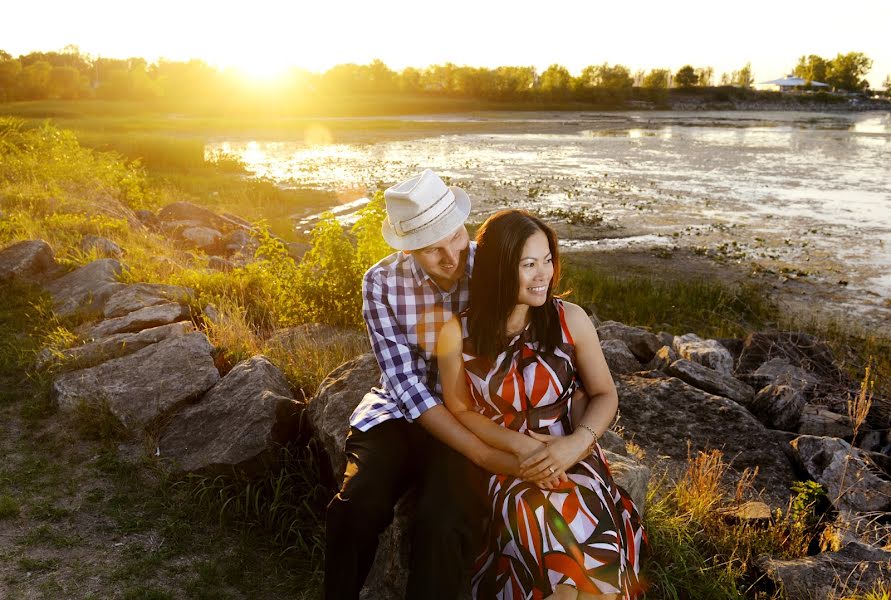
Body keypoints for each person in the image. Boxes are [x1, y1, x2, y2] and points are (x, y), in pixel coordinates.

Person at [325, 170, 565, 599]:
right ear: (406, 247)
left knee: (443, 521)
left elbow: (534, 325)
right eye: (432, 249)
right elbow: (403, 382)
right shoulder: (379, 283)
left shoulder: (492, 267)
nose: (452, 256)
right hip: (400, 413)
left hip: (476, 414)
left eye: (455, 237)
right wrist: (484, 454)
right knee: (358, 503)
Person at [437, 209, 646, 600]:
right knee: (535, 515)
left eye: (548, 260)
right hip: (509, 463)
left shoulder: (570, 319)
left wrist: (572, 445)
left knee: (584, 519)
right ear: (498, 268)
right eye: (529, 264)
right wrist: (522, 449)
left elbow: (605, 394)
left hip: (574, 454)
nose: (544, 274)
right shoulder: (456, 333)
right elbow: (460, 408)